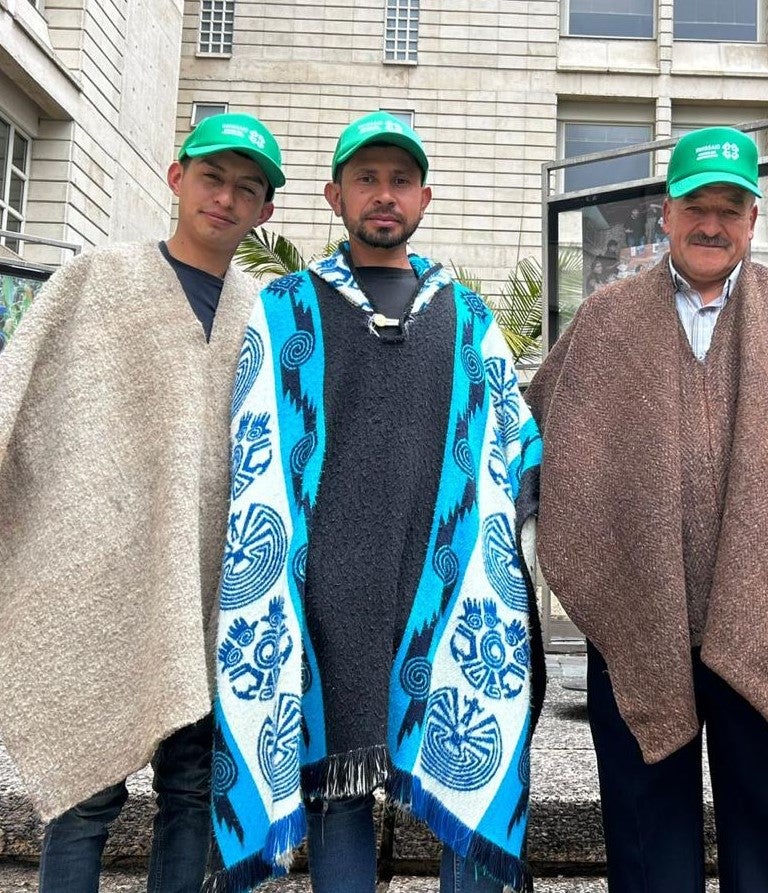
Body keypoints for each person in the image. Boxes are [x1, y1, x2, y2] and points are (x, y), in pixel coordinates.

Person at [206, 111, 545, 893]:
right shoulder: (285, 308)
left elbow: (516, 438)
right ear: (335, 196)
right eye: (366, 178)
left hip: (452, 588)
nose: (384, 194)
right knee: (337, 791)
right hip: (324, 596)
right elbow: (254, 449)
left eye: (399, 180)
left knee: (473, 765)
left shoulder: (469, 318)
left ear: (423, 198)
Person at [526, 125, 768, 893]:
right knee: (646, 847)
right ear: (665, 213)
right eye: (696, 206)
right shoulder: (606, 320)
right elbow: (540, 428)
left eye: (730, 208)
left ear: (754, 219)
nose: (711, 224)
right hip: (637, 619)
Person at [0, 111, 284, 893]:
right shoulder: (101, 278)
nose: (225, 198)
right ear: (177, 178)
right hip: (104, 579)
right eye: (212, 177)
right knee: (85, 794)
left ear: (264, 210)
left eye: (247, 188)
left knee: (192, 790)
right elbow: (20, 394)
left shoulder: (266, 313)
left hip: (214, 593)